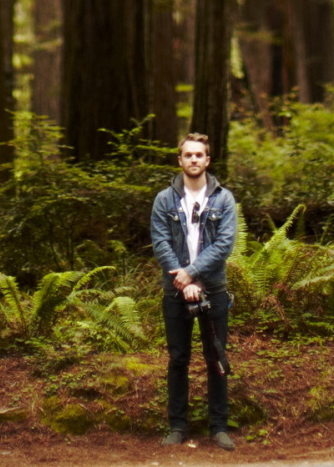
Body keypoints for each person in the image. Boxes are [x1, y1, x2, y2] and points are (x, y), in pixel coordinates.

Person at [150, 132, 237, 451]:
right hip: (175, 291)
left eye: (199, 155)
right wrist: (184, 281)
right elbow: (160, 241)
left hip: (213, 290)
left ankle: (219, 427)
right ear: (180, 160)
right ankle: (177, 426)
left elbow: (224, 244)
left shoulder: (224, 199)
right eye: (188, 155)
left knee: (216, 356)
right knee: (178, 358)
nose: (194, 160)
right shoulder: (164, 199)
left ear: (207, 160)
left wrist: (192, 273)